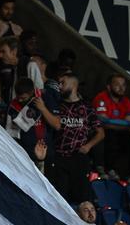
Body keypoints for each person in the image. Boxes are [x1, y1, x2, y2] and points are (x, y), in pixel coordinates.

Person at [33, 72, 105, 204]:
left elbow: (100, 133)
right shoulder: (57, 105)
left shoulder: (86, 107)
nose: (60, 86)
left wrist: (88, 146)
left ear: (74, 84)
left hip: (79, 157)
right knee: (60, 197)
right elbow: (56, 125)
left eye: (63, 83)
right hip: (59, 157)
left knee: (81, 197)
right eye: (59, 83)